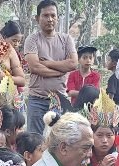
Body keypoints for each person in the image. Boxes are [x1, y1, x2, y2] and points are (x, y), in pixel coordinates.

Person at [24, 0, 78, 134]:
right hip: (37, 100)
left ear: (58, 18)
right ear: (37, 18)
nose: (50, 19)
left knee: (60, 139)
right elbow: (35, 67)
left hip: (60, 99)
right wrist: (60, 71)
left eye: (53, 15)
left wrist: (46, 63)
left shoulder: (66, 39)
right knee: (34, 139)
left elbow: (73, 63)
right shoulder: (32, 39)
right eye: (45, 15)